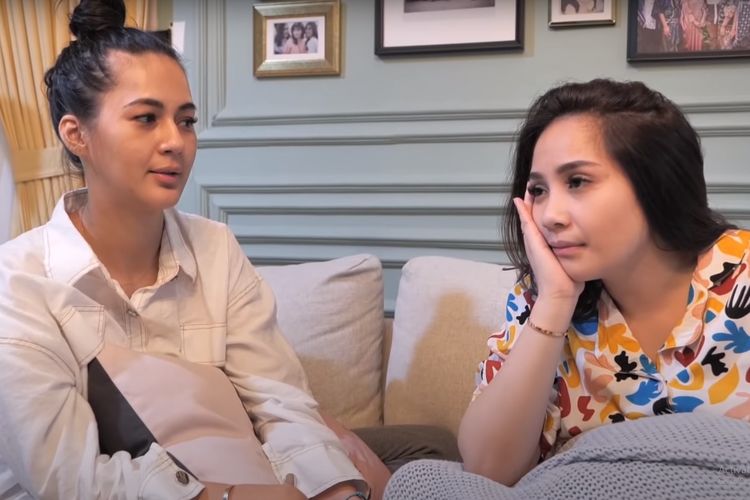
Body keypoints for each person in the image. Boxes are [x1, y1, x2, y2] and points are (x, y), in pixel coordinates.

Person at [0, 1, 372, 499]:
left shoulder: (215, 247)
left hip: (253, 471)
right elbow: (68, 479)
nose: (176, 141)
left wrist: (331, 488)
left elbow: (280, 401)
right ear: (77, 134)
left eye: (187, 120)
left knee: (420, 456)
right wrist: (230, 496)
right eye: (146, 118)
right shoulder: (18, 282)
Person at [458, 78, 750, 486]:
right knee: (421, 478)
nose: (549, 215)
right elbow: (487, 470)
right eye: (538, 190)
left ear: (657, 182)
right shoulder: (539, 296)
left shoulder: (742, 271)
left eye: (577, 181)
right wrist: (555, 301)